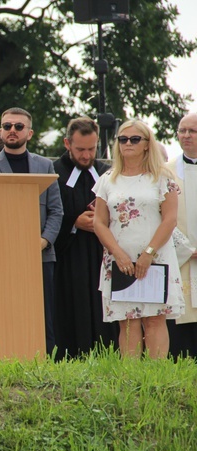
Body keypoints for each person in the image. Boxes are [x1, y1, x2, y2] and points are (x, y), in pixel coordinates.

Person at [92, 119, 184, 359]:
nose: (128, 144)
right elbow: (99, 222)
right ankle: (131, 379)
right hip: (119, 259)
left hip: (156, 257)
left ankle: (156, 379)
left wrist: (148, 254)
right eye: (123, 139)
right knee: (128, 322)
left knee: (154, 319)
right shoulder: (107, 179)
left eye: (134, 139)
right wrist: (118, 254)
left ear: (146, 144)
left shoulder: (163, 177)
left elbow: (170, 220)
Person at [0, 107, 63, 356]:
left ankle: (46, 365)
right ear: (1, 131)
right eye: (7, 126)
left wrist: (43, 241)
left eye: (18, 126)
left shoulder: (45, 166)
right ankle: (4, 361)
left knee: (41, 315)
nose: (12, 131)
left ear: (30, 133)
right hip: (1, 255)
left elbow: (57, 211)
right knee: (5, 314)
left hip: (40, 254)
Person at [53, 117, 117, 358]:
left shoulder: (107, 172)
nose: (86, 156)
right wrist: (73, 222)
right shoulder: (53, 172)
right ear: (67, 143)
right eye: (80, 149)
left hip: (101, 253)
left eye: (91, 149)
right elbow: (46, 215)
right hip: (69, 256)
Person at [166, 113, 197, 358]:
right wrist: (186, 247)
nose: (186, 136)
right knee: (182, 322)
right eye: (182, 130)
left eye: (192, 131)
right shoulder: (166, 172)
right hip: (181, 259)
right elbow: (161, 215)